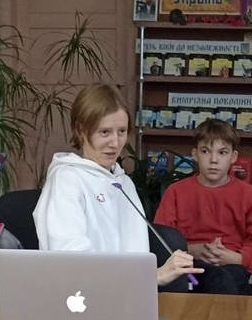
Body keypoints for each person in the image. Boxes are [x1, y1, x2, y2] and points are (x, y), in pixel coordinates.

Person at [33, 83, 201, 287]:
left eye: (121, 131)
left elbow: (136, 258)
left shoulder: (123, 182)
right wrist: (152, 277)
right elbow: (72, 264)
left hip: (126, 295)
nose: (115, 143)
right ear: (81, 130)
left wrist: (148, 278)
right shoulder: (66, 180)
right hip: (80, 298)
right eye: (105, 132)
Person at [154, 119, 252, 294]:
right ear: (195, 154)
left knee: (221, 279)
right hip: (187, 265)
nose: (213, 160)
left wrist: (235, 257)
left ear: (233, 157)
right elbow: (161, 241)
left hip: (232, 265)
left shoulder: (249, 194)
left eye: (222, 152)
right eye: (205, 151)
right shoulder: (175, 191)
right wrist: (192, 250)